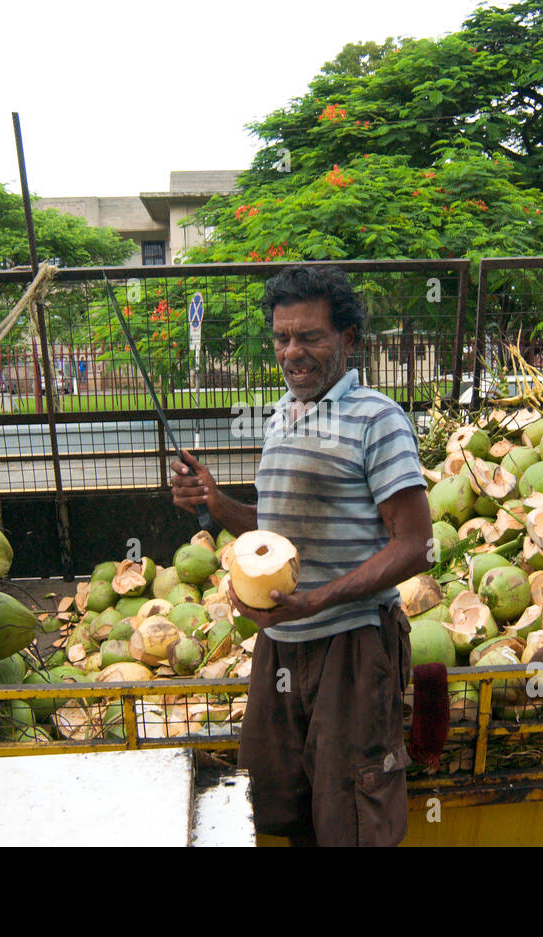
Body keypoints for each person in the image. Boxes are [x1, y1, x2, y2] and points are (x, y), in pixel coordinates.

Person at [169, 265, 432, 846]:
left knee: (353, 818)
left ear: (348, 339)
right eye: (283, 337)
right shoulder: (282, 417)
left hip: (352, 647)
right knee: (283, 806)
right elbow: (273, 533)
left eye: (309, 336)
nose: (293, 352)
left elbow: (416, 545)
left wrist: (318, 599)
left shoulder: (378, 419)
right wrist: (214, 501)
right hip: (280, 647)